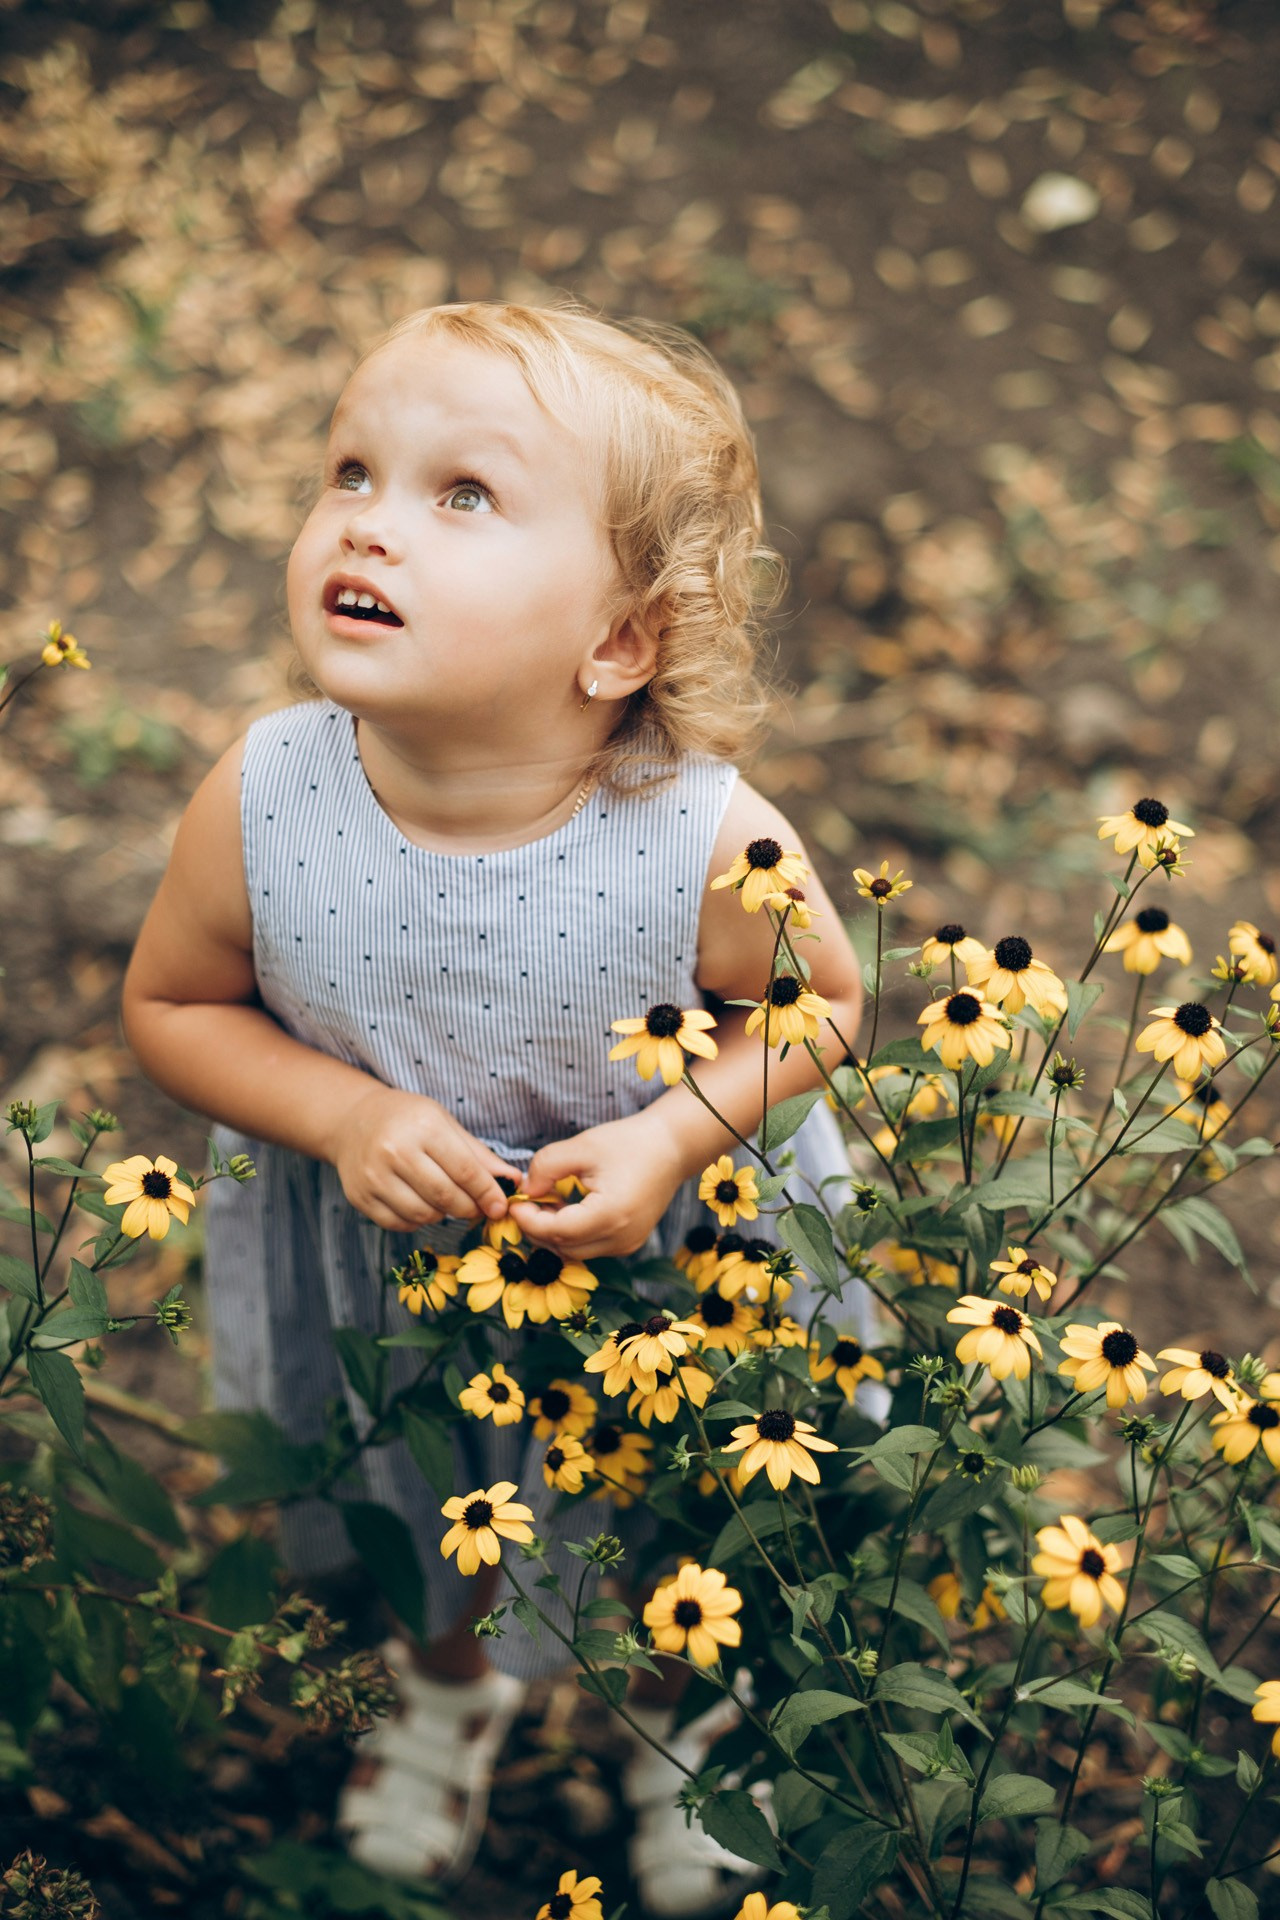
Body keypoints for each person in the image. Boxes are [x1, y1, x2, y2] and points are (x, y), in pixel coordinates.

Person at [121, 299, 872, 1913]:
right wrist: (330, 1112)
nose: (370, 520)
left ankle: (686, 1713)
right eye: (353, 470)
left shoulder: (700, 837)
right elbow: (171, 1006)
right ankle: (447, 1691)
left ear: (618, 640)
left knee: (676, 1511)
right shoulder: (262, 800)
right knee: (427, 1489)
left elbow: (823, 1006)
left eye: (463, 494)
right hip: (393, 1272)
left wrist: (676, 1132)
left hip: (676, 1270)